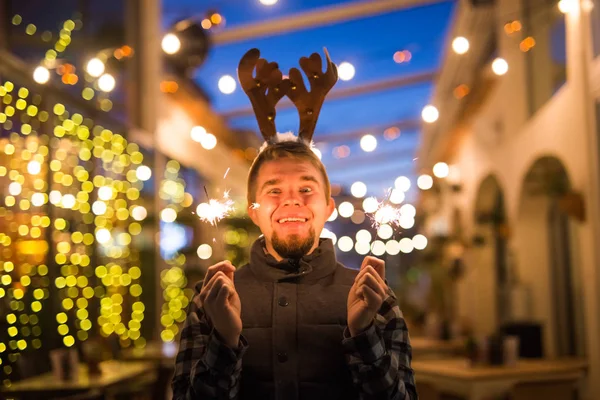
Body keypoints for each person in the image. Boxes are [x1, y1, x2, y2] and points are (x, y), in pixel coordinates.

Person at [171, 48, 417, 400]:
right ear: (253, 210)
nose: (291, 200)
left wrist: (363, 335)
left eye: (306, 188)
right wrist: (224, 341)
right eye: (274, 190)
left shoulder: (374, 296)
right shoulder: (212, 299)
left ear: (328, 206)